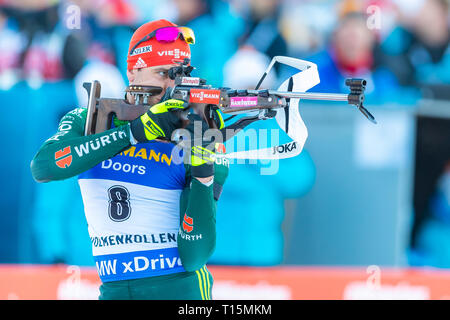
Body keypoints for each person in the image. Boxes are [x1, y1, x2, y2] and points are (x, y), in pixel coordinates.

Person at [30, 19, 228, 300]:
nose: (172, 85)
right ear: (133, 72)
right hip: (113, 288)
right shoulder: (91, 120)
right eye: (163, 73)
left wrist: (203, 171)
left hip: (180, 290)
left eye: (180, 75)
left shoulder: (195, 132)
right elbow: (44, 166)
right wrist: (134, 133)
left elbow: (195, 255)